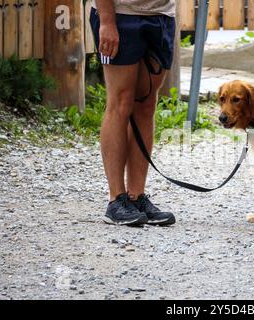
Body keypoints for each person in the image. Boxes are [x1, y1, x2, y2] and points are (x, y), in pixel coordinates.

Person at [90, 0, 176, 226]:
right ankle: (116, 200)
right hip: (121, 15)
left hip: (162, 15)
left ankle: (136, 196)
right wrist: (107, 21)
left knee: (146, 105)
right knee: (121, 102)